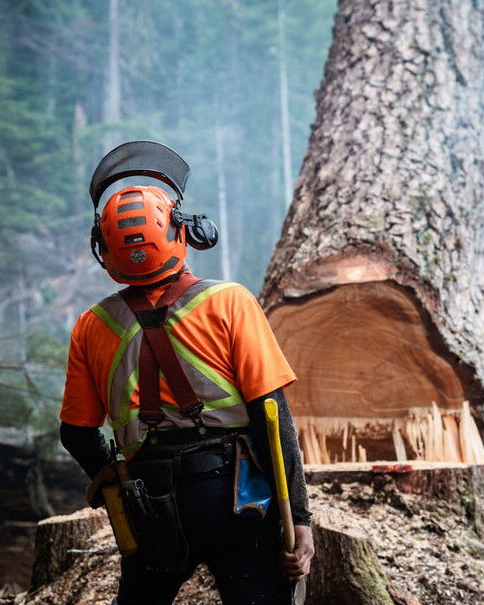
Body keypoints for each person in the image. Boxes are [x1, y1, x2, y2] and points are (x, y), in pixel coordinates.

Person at [59, 142, 313, 605]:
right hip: (237, 497)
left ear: (105, 249)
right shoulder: (229, 302)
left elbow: (76, 433)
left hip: (149, 501)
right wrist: (299, 517)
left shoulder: (91, 327)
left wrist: (120, 488)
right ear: (184, 231)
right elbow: (272, 418)